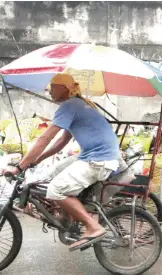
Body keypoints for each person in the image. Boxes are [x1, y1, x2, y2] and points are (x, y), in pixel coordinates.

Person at [4, 73, 119, 251]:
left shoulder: (69, 106)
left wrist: (21, 166)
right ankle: (69, 218)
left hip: (98, 160)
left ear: (64, 88)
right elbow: (61, 142)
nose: (49, 91)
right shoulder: (79, 103)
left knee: (55, 190)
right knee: (55, 172)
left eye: (53, 86)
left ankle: (93, 226)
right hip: (98, 156)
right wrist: (37, 160)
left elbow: (45, 138)